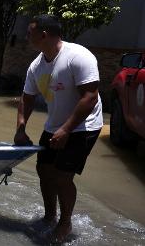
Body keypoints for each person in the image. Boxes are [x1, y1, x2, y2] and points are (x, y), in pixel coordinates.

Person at [14, 14, 103, 243]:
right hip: (55, 124)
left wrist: (66, 130)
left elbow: (90, 97)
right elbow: (26, 98)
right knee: (44, 170)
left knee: (63, 177)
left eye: (29, 32)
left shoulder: (78, 56)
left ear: (43, 35)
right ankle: (49, 216)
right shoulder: (37, 65)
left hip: (84, 125)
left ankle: (65, 222)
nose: (26, 36)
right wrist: (21, 129)